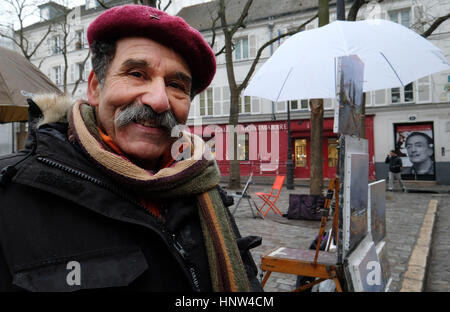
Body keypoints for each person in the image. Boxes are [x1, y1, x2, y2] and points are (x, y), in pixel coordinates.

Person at [0, 5, 262, 292]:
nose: (159, 101)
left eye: (176, 85)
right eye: (137, 74)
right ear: (96, 88)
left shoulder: (203, 187)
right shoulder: (12, 190)